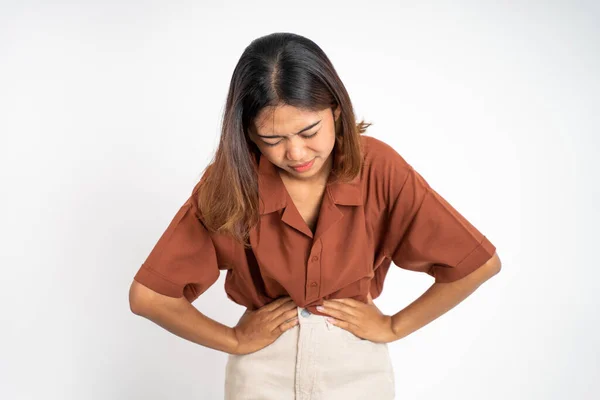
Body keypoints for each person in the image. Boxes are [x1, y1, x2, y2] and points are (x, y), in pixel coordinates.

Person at [129, 32, 501, 399]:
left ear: (336, 110)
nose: (295, 153)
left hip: (358, 370)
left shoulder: (379, 167)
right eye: (272, 140)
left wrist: (393, 326)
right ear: (248, 134)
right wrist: (233, 338)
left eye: (309, 131)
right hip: (261, 374)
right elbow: (149, 296)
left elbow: (477, 264)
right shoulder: (230, 182)